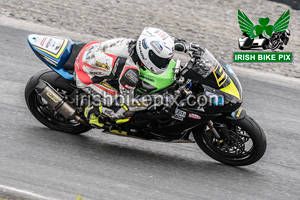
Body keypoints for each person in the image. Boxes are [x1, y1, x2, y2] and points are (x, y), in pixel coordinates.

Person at [74, 27, 189, 128]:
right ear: (148, 54)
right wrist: (160, 99)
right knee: (121, 111)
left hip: (94, 53)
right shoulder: (130, 72)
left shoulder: (139, 44)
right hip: (86, 75)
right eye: (160, 60)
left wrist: (188, 47)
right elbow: (130, 102)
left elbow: (162, 42)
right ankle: (91, 111)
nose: (163, 63)